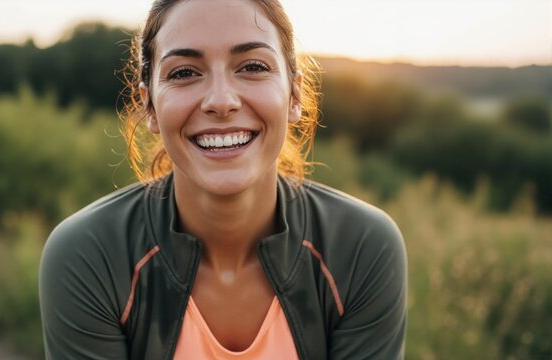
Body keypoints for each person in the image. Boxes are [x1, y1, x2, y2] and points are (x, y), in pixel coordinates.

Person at [39, 0, 407, 358]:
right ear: (149, 105)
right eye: (184, 72)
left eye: (252, 66)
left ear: (294, 95)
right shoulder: (90, 255)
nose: (221, 100)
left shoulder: (360, 248)